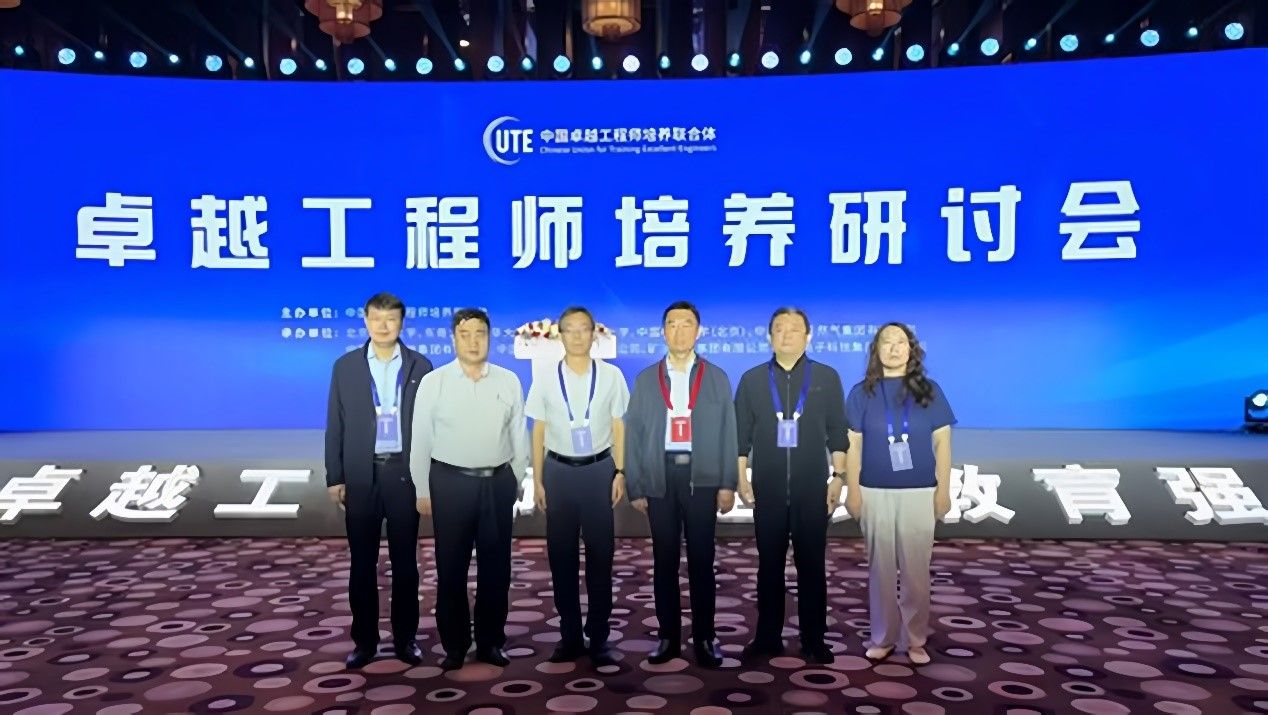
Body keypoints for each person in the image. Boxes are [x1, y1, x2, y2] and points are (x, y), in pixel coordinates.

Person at [410, 308, 530, 671]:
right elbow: (421, 438)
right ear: (454, 338)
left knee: (497, 569)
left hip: (496, 483)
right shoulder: (435, 382)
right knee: (451, 569)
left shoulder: (509, 380)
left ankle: (491, 642)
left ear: (489, 338)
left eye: (480, 334)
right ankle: (455, 645)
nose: (473, 341)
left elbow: (518, 434)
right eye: (465, 334)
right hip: (450, 483)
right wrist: (422, 488)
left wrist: (515, 479)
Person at [624, 300, 738, 668]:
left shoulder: (716, 377)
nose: (679, 331)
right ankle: (668, 637)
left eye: (686, 324)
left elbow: (729, 432)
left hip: (701, 478)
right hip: (661, 477)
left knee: (703, 561)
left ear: (698, 331)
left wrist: (727, 482)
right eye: (672, 324)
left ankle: (705, 637)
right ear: (663, 332)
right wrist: (636, 484)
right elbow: (634, 434)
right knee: (665, 560)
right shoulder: (646, 379)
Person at [325, 292, 433, 669]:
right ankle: (365, 642)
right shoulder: (346, 367)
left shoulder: (421, 365)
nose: (383, 326)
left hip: (403, 473)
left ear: (401, 322)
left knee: (405, 564)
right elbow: (335, 424)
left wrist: (427, 477)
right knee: (362, 564)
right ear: (365, 320)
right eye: (376, 318)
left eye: (391, 319)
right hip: (361, 474)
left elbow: (430, 426)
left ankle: (406, 639)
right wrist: (335, 475)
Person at [734, 307, 847, 664]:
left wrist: (839, 477)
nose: (786, 335)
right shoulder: (752, 379)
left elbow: (837, 432)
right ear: (769, 337)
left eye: (794, 329)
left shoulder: (826, 377)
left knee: (812, 565)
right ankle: (767, 637)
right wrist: (740, 476)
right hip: (767, 487)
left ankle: (814, 639)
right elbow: (740, 435)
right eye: (779, 329)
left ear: (808, 336)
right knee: (769, 566)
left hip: (812, 488)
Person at [844, 322, 955, 666]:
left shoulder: (929, 390)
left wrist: (943, 490)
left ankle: (915, 639)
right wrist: (852, 490)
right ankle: (883, 637)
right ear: (875, 350)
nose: (894, 348)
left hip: (920, 490)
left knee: (916, 571)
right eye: (886, 342)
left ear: (911, 349)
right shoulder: (861, 392)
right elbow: (853, 445)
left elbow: (943, 443)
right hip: (874, 490)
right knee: (880, 570)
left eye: (901, 342)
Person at [526, 306, 630, 667]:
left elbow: (618, 426)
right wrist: (538, 479)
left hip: (599, 471)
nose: (577, 336)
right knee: (562, 557)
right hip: (558, 472)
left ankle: (599, 636)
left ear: (593, 333)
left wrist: (620, 471)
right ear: (560, 334)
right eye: (570, 329)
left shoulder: (612, 375)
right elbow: (538, 430)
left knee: (601, 556)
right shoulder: (546, 377)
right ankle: (569, 635)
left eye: (584, 329)